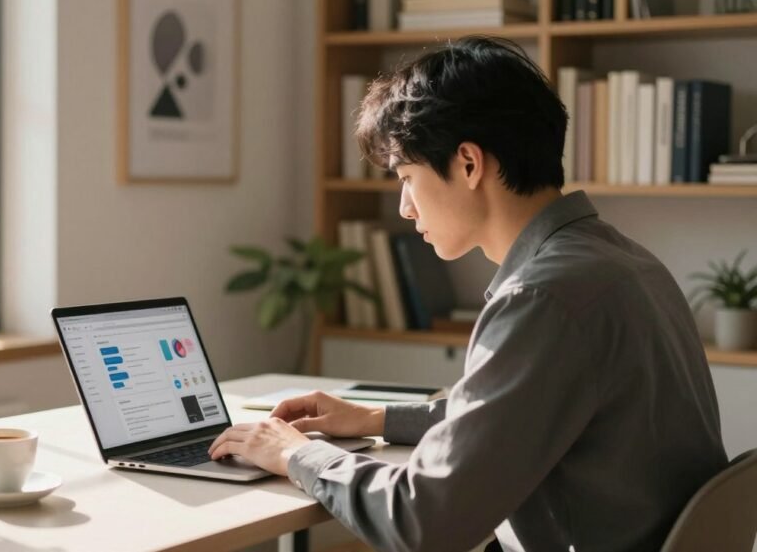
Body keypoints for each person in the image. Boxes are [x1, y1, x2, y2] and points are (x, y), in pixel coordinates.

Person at [207, 36, 728, 552]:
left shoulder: (542, 297)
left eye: (407, 176)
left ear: (469, 164)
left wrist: (297, 454)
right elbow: (518, 412)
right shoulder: (623, 263)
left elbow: (421, 521)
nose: (406, 208)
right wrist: (375, 419)